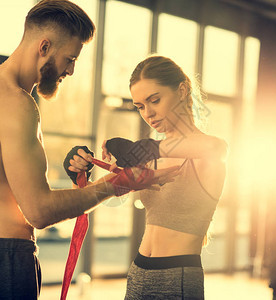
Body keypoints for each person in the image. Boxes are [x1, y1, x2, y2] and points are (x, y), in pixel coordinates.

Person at [0, 1, 178, 299]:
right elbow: (39, 212)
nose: (70, 70)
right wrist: (117, 184)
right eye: (69, 58)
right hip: (2, 261)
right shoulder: (16, 103)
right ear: (43, 47)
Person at [66, 55, 227, 299]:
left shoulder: (200, 150)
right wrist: (80, 175)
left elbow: (217, 148)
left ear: (182, 91)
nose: (148, 113)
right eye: (140, 106)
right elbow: (110, 198)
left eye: (155, 100)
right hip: (139, 273)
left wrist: (149, 148)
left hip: (177, 279)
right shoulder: (150, 155)